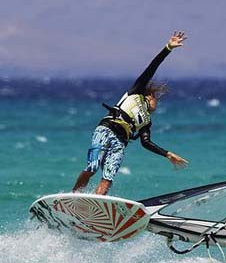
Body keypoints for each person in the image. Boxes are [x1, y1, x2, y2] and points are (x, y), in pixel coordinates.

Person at [72, 31, 189, 195]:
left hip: (120, 142)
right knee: (92, 167)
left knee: (108, 177)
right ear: (150, 96)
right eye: (158, 100)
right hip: (107, 130)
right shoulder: (137, 92)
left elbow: (146, 143)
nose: (158, 105)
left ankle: (96, 205)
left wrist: (167, 154)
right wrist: (168, 48)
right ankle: (75, 196)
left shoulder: (146, 121)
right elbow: (152, 68)